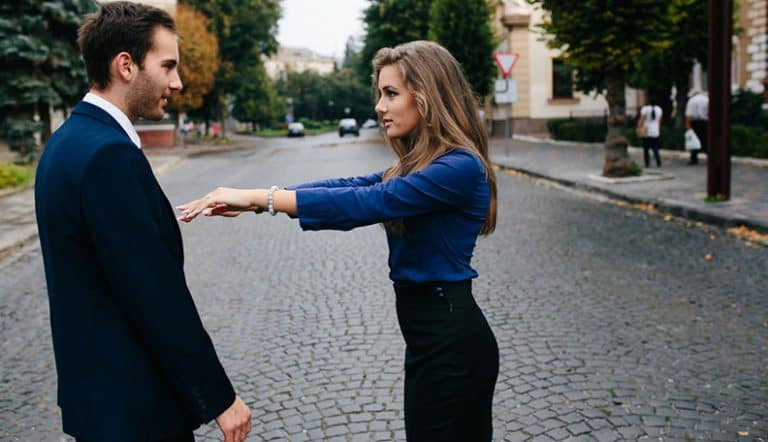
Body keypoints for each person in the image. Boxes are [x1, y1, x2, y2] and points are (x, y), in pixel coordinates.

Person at [178, 40, 500, 441]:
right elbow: (350, 186)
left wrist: (262, 199)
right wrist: (258, 200)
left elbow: (367, 202)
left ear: (427, 95)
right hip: (429, 341)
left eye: (391, 93)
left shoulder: (460, 167)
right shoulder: (415, 167)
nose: (379, 106)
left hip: (452, 345)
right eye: (380, 94)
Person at [34, 3, 251, 441]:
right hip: (134, 410)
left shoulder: (65, 143)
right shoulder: (109, 155)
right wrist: (220, 397)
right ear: (126, 65)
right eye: (167, 66)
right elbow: (154, 293)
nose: (178, 81)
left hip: (99, 403)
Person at [685, 89, 709, 165]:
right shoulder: (707, 99)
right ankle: (710, 158)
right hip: (706, 122)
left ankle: (694, 159)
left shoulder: (691, 101)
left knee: (694, 141)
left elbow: (689, 115)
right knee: (706, 141)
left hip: (695, 123)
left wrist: (688, 128)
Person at [637, 99, 663, 167]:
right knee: (655, 148)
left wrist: (638, 127)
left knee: (646, 148)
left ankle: (647, 163)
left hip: (646, 131)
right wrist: (659, 129)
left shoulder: (645, 109)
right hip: (655, 131)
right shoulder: (659, 109)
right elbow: (660, 121)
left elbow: (642, 119)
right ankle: (658, 161)